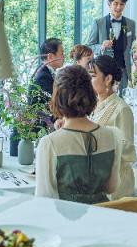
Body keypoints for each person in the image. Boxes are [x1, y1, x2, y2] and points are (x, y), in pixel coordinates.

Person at [35, 65, 123, 204]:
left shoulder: (49, 143)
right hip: (104, 215)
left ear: (58, 98)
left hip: (66, 216)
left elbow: (44, 199)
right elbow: (111, 188)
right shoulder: (113, 135)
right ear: (90, 94)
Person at [88, 55, 136, 199]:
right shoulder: (95, 105)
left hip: (116, 181)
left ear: (108, 79)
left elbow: (127, 149)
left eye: (93, 76)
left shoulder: (122, 109)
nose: (89, 80)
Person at [86, 0, 137, 91]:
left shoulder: (131, 24)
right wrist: (101, 46)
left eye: (122, 4)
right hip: (103, 71)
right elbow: (89, 46)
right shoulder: (98, 23)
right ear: (109, 4)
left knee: (123, 98)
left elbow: (133, 46)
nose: (119, 7)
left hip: (123, 71)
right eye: (116, 3)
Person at [30, 37, 64, 106]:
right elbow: (56, 101)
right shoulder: (43, 76)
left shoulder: (45, 71)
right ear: (50, 56)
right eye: (62, 53)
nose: (64, 57)